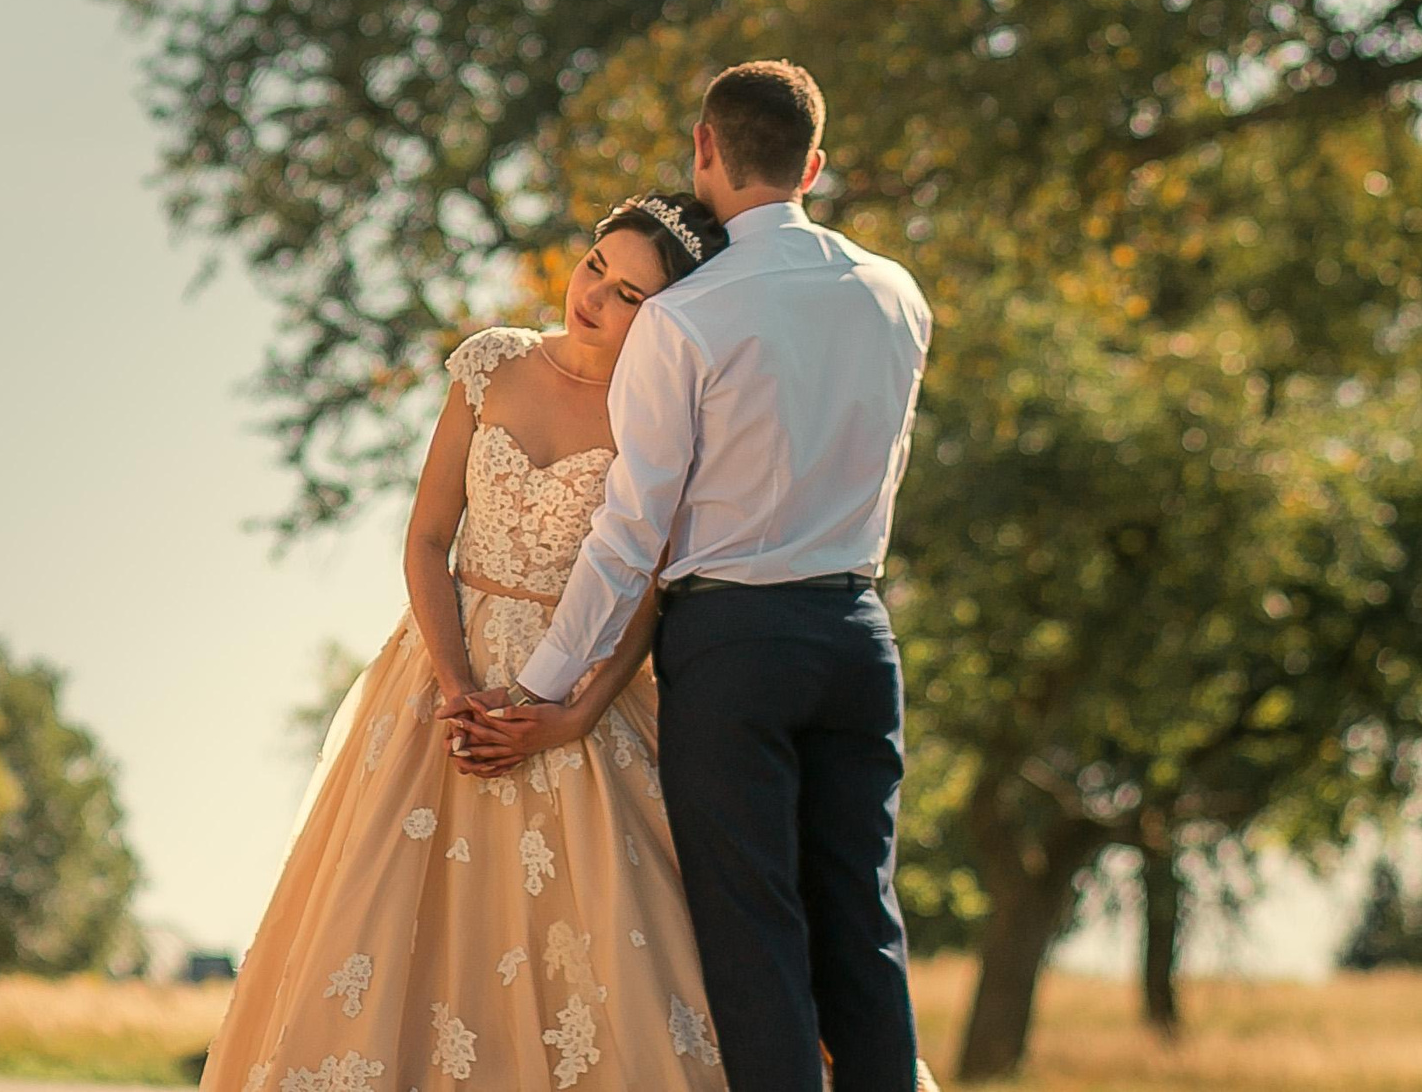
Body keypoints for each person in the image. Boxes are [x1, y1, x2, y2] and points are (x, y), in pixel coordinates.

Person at [200, 190, 738, 1092]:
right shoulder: (490, 365)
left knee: (597, 953)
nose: (594, 295)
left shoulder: (662, 419)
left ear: (668, 315)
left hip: (572, 696)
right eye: (596, 264)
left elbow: (649, 594)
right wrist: (453, 682)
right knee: (381, 920)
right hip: (438, 679)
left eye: (631, 293)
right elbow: (424, 537)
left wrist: (568, 717)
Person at [484, 60, 935, 1092]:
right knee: (862, 919)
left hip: (734, 646)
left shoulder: (687, 317)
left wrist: (546, 684)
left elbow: (632, 528)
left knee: (754, 933)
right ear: (813, 164)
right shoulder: (896, 295)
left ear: (702, 149)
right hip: (860, 634)